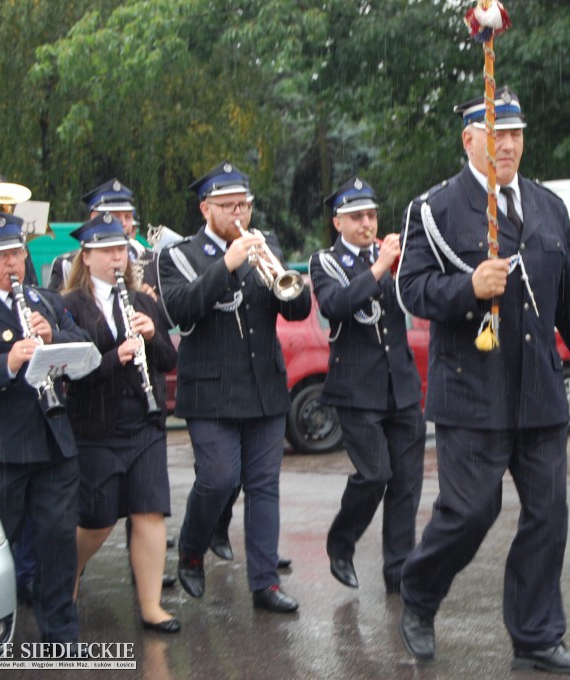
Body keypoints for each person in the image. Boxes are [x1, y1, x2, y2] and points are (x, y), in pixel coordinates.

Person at [395, 87, 570, 674]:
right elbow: (412, 290)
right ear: (469, 139)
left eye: (516, 133)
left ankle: (537, 635)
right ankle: (418, 594)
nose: (508, 145)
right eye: (497, 133)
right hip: (472, 389)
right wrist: (468, 288)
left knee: (548, 514)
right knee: (471, 512)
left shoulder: (548, 207)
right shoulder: (436, 209)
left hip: (540, 390)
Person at [158, 161, 311, 613]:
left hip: (264, 388)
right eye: (227, 206)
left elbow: (298, 310)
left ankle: (264, 584)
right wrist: (227, 262)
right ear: (206, 208)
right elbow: (183, 311)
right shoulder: (179, 255)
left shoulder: (265, 245)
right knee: (220, 478)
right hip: (210, 391)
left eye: (243, 204)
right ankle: (191, 547)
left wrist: (278, 268)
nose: (238, 213)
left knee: (264, 485)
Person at [0, 212, 89, 644]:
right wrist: (8, 363)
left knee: (58, 541)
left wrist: (54, 340)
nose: (14, 264)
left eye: (18, 254)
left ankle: (60, 631)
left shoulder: (45, 300)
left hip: (51, 441)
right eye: (2, 256)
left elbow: (82, 346)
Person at [61, 213, 180, 633]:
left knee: (150, 512)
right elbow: (71, 369)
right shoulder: (70, 306)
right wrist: (117, 356)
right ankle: (65, 580)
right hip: (95, 427)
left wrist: (152, 337)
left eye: (122, 251)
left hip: (144, 423)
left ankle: (151, 606)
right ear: (88, 256)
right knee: (97, 519)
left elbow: (169, 361)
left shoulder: (143, 301)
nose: (119, 258)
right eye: (109, 251)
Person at [310, 177, 426, 594]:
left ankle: (399, 574)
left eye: (372, 214)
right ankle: (341, 541)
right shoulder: (325, 261)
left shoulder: (391, 254)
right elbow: (334, 306)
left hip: (402, 385)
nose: (366, 223)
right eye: (356, 216)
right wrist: (379, 268)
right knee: (375, 474)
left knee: (407, 485)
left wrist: (405, 262)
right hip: (357, 388)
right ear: (337, 221)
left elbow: (418, 298)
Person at [48, 179, 157, 298]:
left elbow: (169, 311)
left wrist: (153, 302)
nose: (124, 223)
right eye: (116, 217)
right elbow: (55, 309)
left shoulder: (151, 258)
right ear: (94, 217)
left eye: (128, 217)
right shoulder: (66, 264)